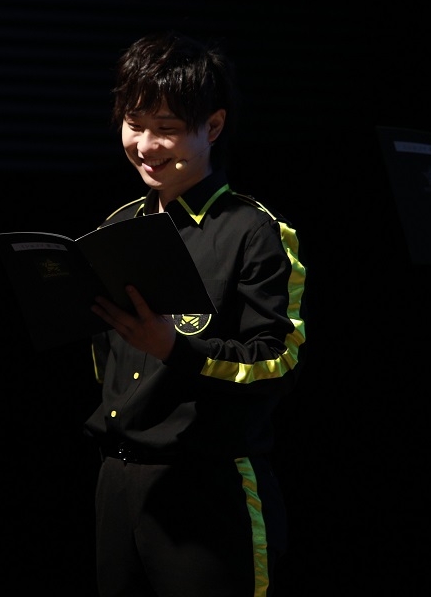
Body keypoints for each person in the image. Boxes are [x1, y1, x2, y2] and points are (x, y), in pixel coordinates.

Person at [84, 30, 307, 596]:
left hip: (209, 485)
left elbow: (278, 360)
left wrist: (175, 349)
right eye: (134, 124)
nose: (146, 145)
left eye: (166, 128)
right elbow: (106, 359)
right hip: (118, 481)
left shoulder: (254, 231)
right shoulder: (117, 226)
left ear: (213, 126)